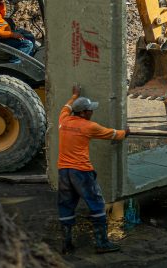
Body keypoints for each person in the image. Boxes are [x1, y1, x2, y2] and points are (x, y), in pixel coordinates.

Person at [58, 84, 130, 254]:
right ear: (83, 113)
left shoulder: (63, 120)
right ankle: (101, 243)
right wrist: (126, 132)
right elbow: (112, 134)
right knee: (97, 205)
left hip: (63, 171)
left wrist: (74, 96)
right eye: (90, 110)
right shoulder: (89, 127)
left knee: (66, 206)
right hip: (81, 172)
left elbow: (66, 107)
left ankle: (66, 244)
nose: (92, 112)